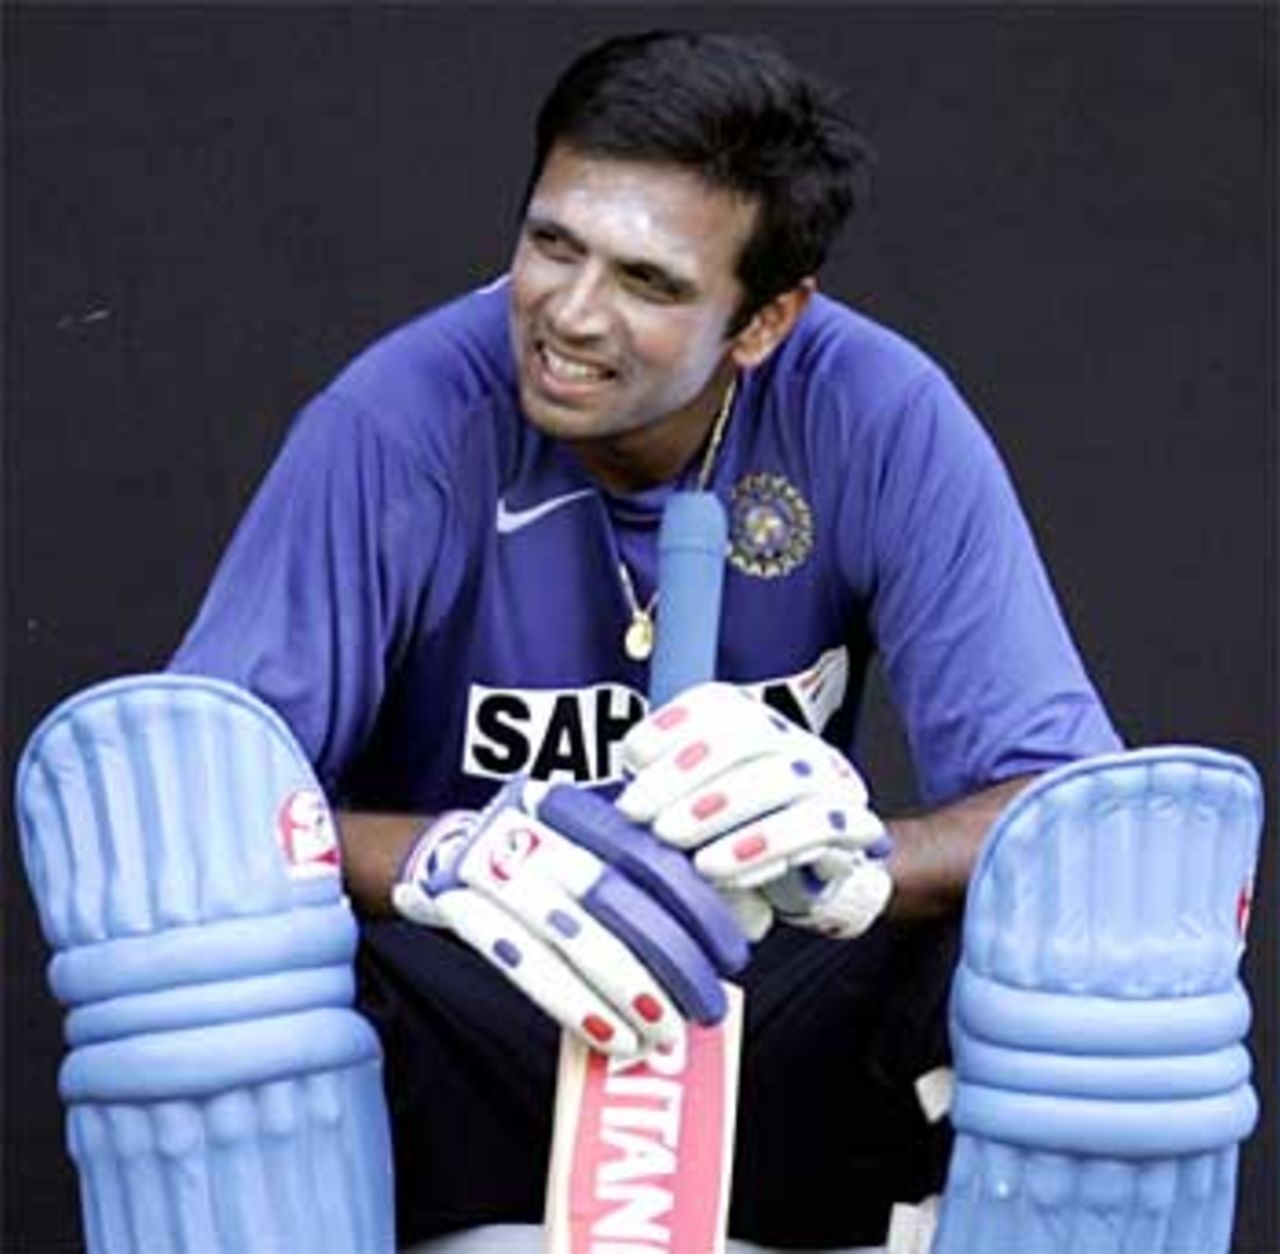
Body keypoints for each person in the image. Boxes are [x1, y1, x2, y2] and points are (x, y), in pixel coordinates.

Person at [170, 29, 1120, 1250]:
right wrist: (451, 859)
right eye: (549, 243)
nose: (569, 314)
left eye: (648, 283)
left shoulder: (877, 410)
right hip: (470, 1007)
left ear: (764, 319)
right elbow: (194, 808)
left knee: (1095, 947)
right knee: (209, 960)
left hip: (752, 1008)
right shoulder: (393, 423)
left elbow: (1069, 811)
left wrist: (855, 855)